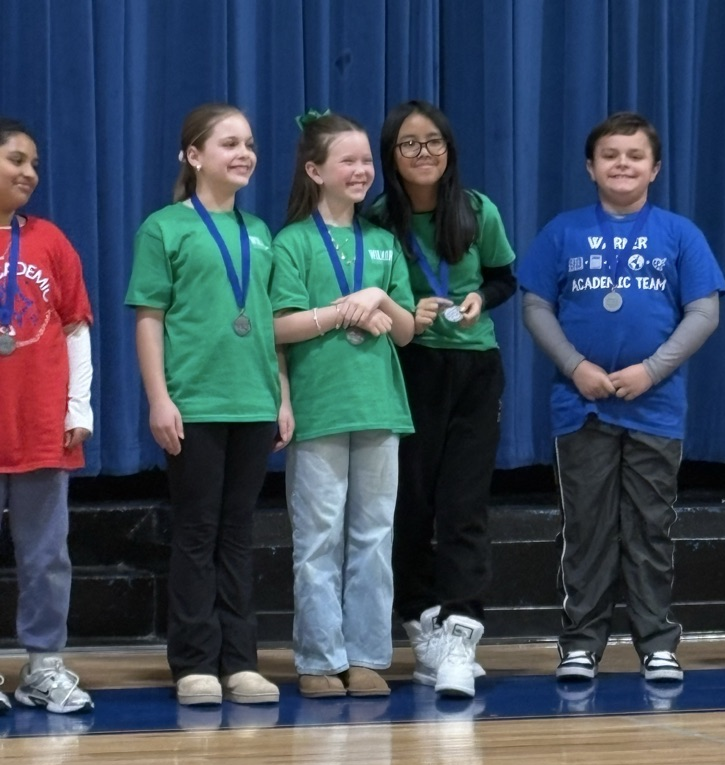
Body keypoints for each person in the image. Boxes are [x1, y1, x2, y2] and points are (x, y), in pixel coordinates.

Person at [517, 111, 725, 683]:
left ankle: (657, 642)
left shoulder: (680, 234)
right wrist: (575, 365)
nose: (622, 164)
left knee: (650, 527)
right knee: (584, 527)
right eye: (610, 155)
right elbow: (535, 305)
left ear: (654, 168)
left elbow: (705, 312)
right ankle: (581, 644)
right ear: (591, 167)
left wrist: (651, 371)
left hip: (654, 408)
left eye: (635, 156)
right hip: (580, 405)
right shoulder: (563, 231)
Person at [126, 103, 293, 707]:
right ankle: (195, 662)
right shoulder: (164, 228)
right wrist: (158, 399)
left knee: (238, 533)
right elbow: (150, 319)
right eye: (229, 143)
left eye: (249, 143)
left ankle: (240, 661)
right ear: (195, 156)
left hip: (253, 401)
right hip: (194, 402)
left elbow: (269, 321)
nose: (244, 153)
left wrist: (282, 393)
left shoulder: (259, 233)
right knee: (197, 531)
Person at [368, 100, 517, 699]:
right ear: (391, 156)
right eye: (408, 144)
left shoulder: (477, 210)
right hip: (410, 367)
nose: (422, 153)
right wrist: (408, 312)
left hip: (475, 370)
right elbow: (370, 294)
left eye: (433, 142)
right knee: (410, 505)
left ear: (449, 150)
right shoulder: (379, 219)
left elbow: (506, 276)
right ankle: (423, 624)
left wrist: (483, 298)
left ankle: (461, 630)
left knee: (463, 506)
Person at [270, 110, 415, 699]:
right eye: (347, 161)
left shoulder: (382, 244)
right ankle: (318, 657)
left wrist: (378, 295)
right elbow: (279, 326)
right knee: (319, 536)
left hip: (379, 407)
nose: (362, 170)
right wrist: (341, 312)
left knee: (375, 536)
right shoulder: (293, 242)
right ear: (315, 170)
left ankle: (367, 656)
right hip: (320, 408)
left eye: (366, 161)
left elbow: (405, 331)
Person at [0, 117, 94, 714]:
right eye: (16, 160)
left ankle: (42, 666)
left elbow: (76, 327)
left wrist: (78, 404)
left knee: (46, 554)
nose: (29, 172)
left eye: (34, 163)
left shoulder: (50, 242)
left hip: (39, 423)